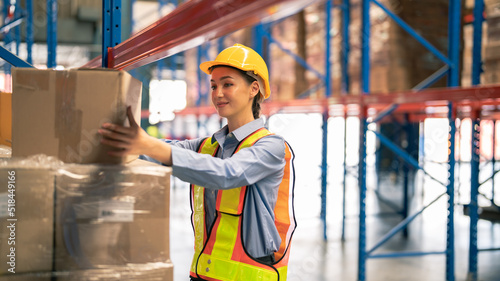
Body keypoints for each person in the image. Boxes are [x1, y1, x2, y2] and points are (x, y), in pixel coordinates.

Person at [98, 44, 296, 281]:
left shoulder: (270, 147)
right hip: (202, 275)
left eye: (227, 84)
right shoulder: (208, 146)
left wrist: (149, 145)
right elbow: (159, 152)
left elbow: (227, 174)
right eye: (213, 86)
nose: (217, 93)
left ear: (254, 88)